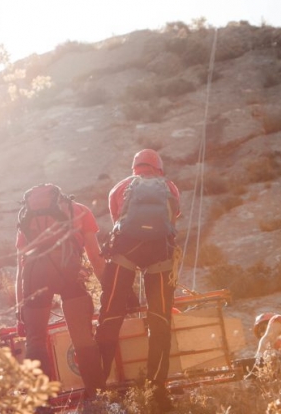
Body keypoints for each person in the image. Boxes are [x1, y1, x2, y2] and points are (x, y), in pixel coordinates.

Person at [95, 149, 180, 410]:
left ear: (134, 168)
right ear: (158, 169)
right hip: (160, 255)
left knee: (110, 316)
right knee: (160, 319)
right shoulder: (169, 187)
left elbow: (118, 222)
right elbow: (172, 219)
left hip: (125, 254)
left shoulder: (119, 188)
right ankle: (157, 389)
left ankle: (97, 387)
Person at [15, 183, 106, 400]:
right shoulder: (80, 210)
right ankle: (97, 394)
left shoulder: (27, 216)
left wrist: (20, 310)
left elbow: (21, 265)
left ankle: (43, 402)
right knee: (82, 335)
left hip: (34, 274)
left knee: (35, 339)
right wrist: (109, 287)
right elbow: (95, 255)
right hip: (68, 270)